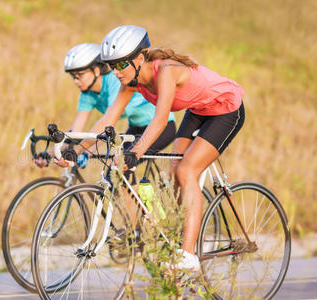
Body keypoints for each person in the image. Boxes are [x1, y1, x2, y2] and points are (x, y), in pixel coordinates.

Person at [67, 26, 245, 273]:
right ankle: (181, 232)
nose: (115, 72)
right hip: (197, 111)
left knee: (186, 171)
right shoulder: (131, 81)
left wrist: (135, 152)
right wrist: (75, 151)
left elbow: (161, 119)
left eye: (120, 65)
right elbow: (108, 118)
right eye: (112, 66)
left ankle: (189, 255)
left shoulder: (166, 71)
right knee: (174, 172)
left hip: (225, 108)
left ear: (139, 59)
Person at [36, 43, 176, 169]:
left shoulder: (115, 82)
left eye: (80, 75)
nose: (76, 81)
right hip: (136, 127)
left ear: (96, 70)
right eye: (73, 77)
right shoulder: (87, 94)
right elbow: (76, 132)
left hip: (161, 127)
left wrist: (86, 152)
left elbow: (107, 125)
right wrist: (49, 153)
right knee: (115, 171)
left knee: (118, 170)